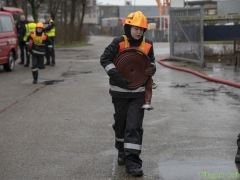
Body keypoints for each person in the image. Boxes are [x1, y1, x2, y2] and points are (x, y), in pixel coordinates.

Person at [100, 11, 156, 177]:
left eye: (142, 29)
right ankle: (121, 151)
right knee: (121, 125)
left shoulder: (148, 45)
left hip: (138, 93)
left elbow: (150, 63)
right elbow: (105, 59)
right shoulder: (118, 43)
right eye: (135, 28)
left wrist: (152, 69)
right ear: (128, 27)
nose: (139, 32)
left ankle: (133, 161)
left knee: (134, 126)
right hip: (119, 93)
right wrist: (116, 76)